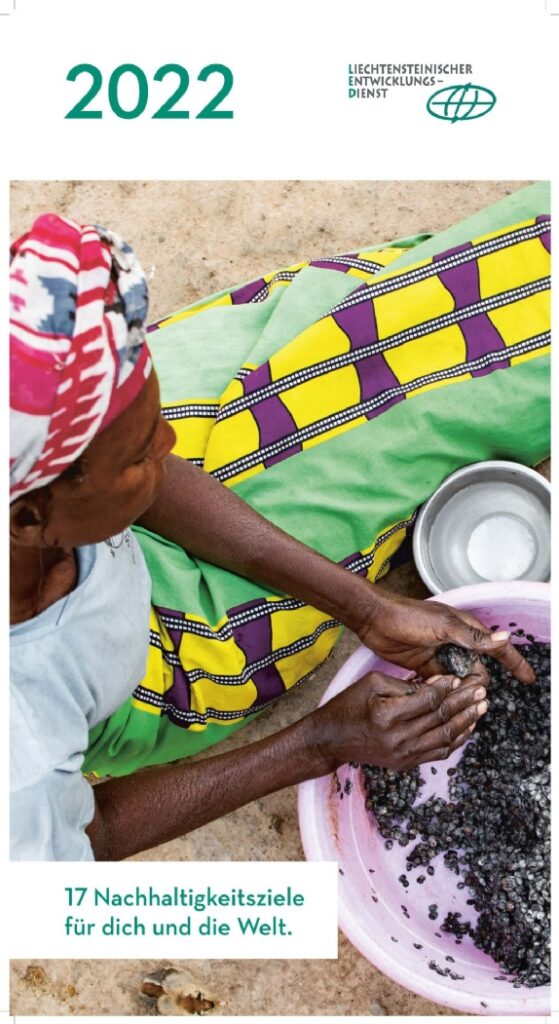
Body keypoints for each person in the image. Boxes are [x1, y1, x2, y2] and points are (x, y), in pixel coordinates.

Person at [10, 184, 550, 861]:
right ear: (31, 518)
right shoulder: (23, 736)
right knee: (391, 426)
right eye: (144, 452)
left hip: (92, 522)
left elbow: (137, 466)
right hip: (148, 667)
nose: (169, 447)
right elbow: (95, 832)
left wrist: (368, 607)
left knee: (367, 337)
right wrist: (319, 741)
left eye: (151, 426)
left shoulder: (48, 476)